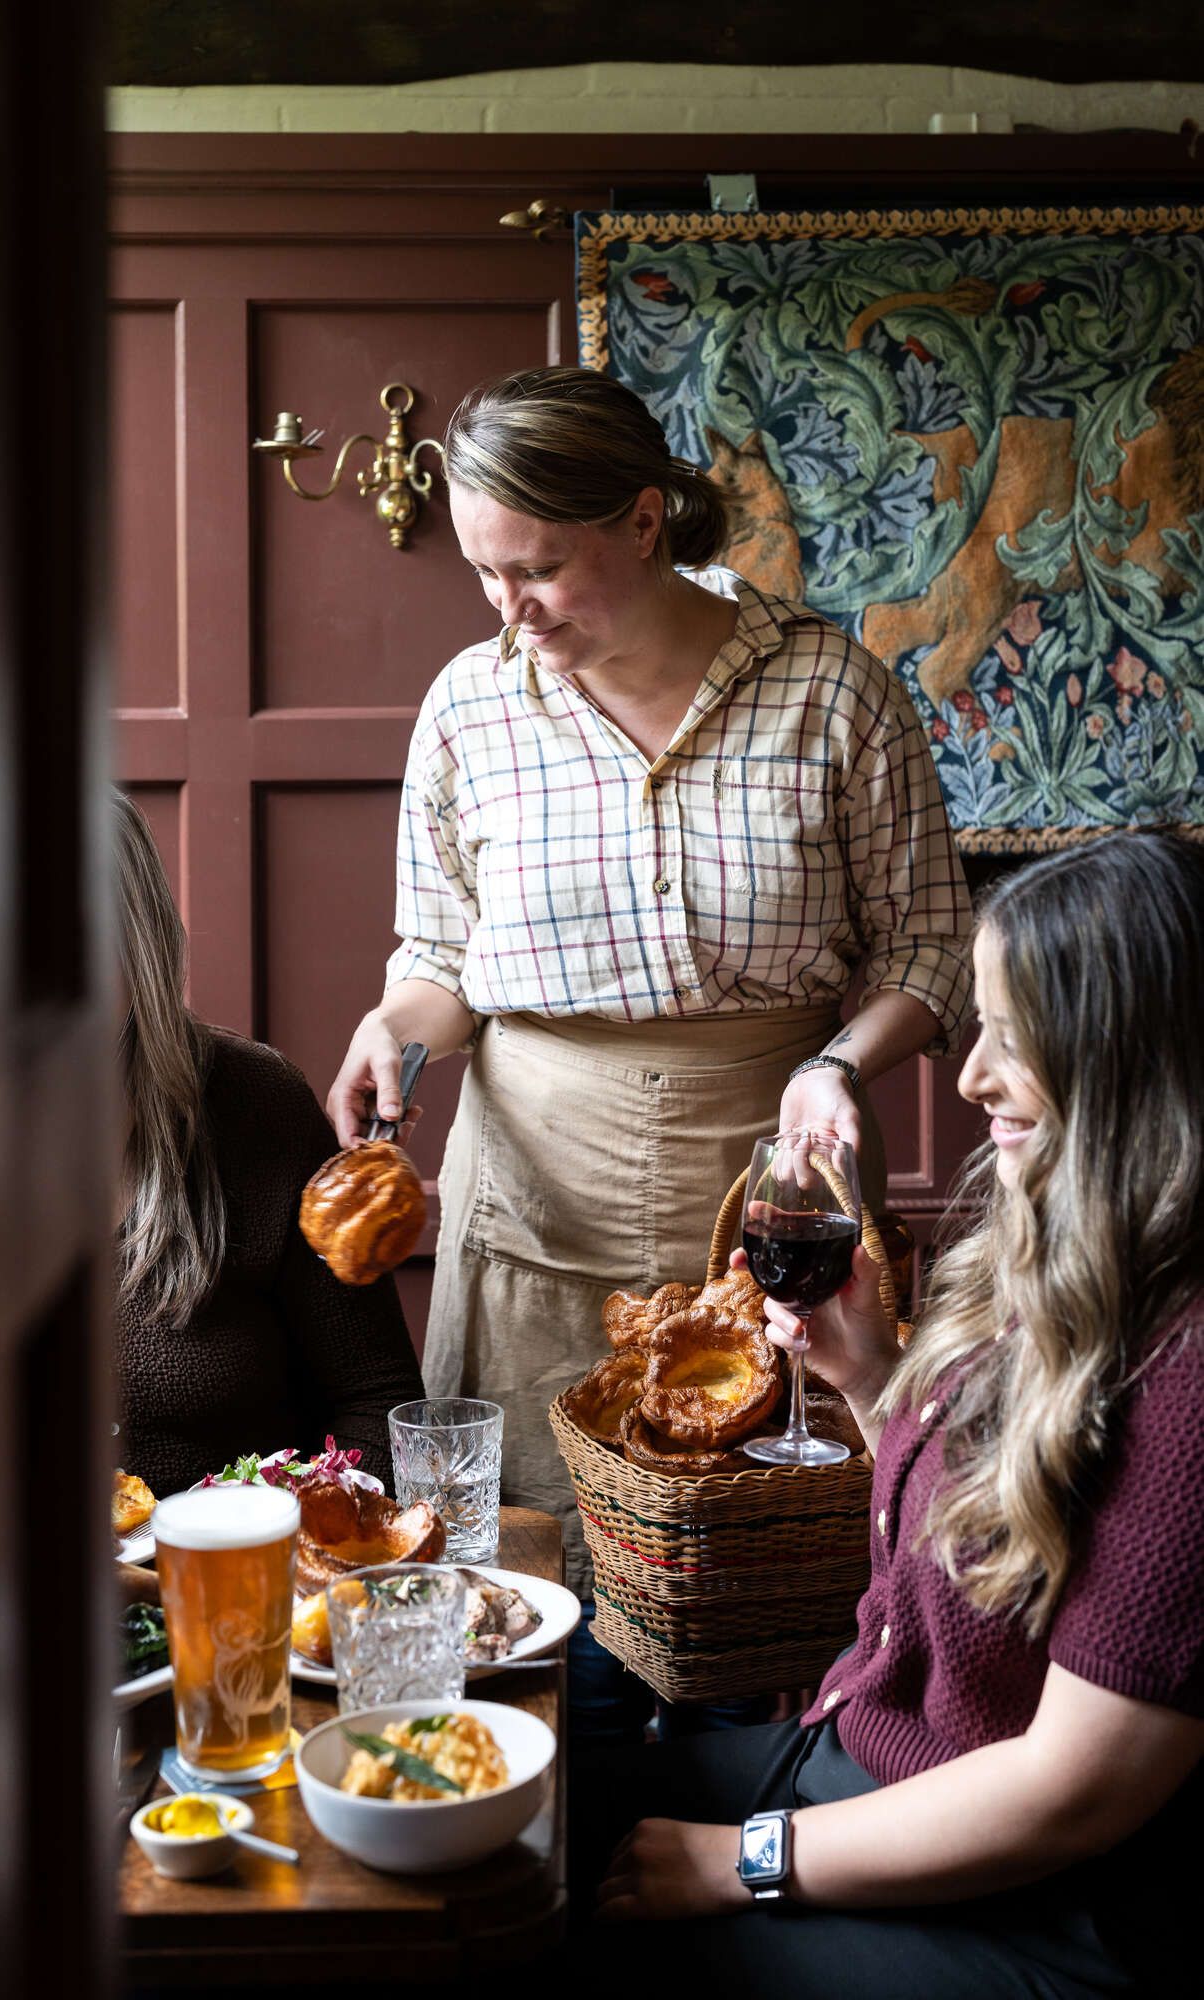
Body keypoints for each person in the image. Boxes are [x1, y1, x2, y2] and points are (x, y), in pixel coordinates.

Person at [327, 366, 972, 1731]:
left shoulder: (831, 692)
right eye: (485, 575)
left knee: (757, 1575)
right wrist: (394, 1029)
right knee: (503, 1577)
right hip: (530, 1197)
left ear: (640, 517)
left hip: (765, 1202)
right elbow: (439, 959)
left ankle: (749, 1850)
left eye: (540, 568)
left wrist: (838, 1062)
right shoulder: (470, 706)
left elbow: (924, 948)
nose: (510, 611)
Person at [567, 830, 1204, 1994]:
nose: (967, 1077)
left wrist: (743, 1861)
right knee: (522, 1820)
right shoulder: (1061, 1248)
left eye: (1012, 1038)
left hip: (1047, 1913)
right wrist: (865, 1375)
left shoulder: (1192, 1362)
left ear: (1119, 1057)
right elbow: (988, 1532)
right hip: (874, 1769)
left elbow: (1073, 1785)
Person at [112, 790, 424, 1496]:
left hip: (244, 1584)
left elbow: (376, 1405)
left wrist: (279, 1546)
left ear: (139, 945)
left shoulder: (254, 1103)